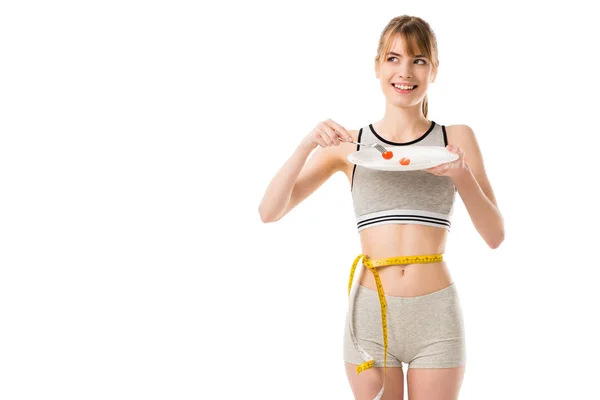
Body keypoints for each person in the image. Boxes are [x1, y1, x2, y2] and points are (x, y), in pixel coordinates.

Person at [258, 15, 504, 400]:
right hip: (371, 314)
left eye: (419, 60)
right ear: (377, 66)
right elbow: (269, 211)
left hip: (436, 316)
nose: (405, 71)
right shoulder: (351, 146)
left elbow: (495, 236)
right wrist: (307, 143)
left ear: (433, 70)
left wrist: (462, 174)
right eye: (393, 58)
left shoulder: (455, 139)